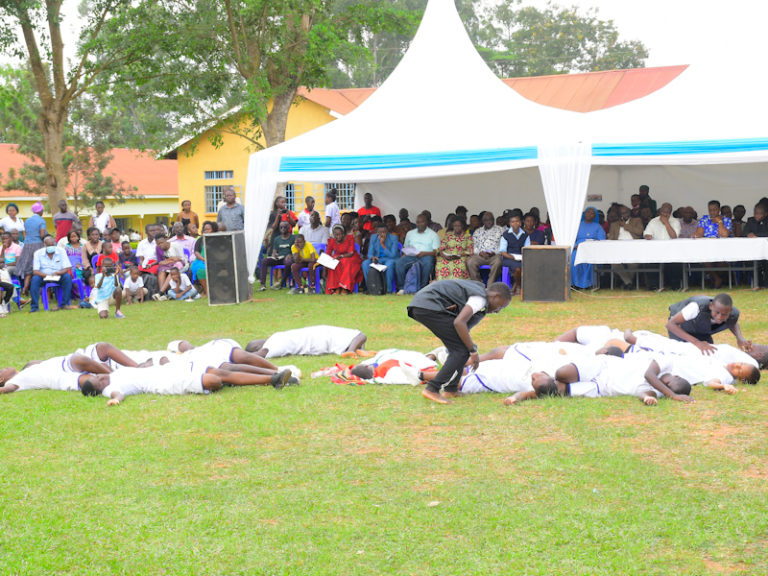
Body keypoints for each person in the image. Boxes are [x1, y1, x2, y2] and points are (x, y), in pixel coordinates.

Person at [407, 280, 512, 404]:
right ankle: (432, 389)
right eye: (500, 306)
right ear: (496, 296)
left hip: (425, 305)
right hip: (428, 306)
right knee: (461, 351)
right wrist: (472, 351)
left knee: (461, 349)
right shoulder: (479, 299)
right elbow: (459, 323)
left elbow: (463, 331)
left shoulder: (478, 296)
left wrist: (471, 349)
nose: (497, 311)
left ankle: (451, 389)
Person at [667, 293, 751, 354]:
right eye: (717, 312)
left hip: (701, 329)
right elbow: (671, 324)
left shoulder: (732, 314)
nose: (720, 317)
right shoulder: (696, 307)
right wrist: (697, 342)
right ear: (711, 306)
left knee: (709, 354)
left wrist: (740, 338)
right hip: (680, 327)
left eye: (724, 314)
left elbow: (733, 322)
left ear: (730, 311)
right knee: (683, 354)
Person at [246, 325, 369, 358]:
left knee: (358, 336)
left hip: (313, 335)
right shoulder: (271, 346)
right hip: (315, 338)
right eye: (255, 342)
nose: (261, 339)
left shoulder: (275, 339)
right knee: (360, 335)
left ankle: (353, 349)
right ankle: (352, 350)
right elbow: (261, 354)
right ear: (257, 347)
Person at [395, 213, 440, 293]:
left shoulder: (433, 235)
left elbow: (436, 251)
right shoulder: (410, 233)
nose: (419, 224)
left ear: (426, 222)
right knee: (399, 263)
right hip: (412, 255)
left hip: (426, 256)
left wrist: (424, 253)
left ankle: (422, 288)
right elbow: (406, 247)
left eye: (422, 222)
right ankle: (402, 288)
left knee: (428, 263)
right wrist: (404, 254)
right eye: (418, 222)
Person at [29, 235, 76, 312]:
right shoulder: (38, 253)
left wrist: (59, 272)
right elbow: (35, 271)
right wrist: (47, 275)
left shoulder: (61, 251)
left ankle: (64, 304)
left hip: (58, 275)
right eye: (48, 245)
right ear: (44, 245)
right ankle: (34, 307)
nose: (51, 247)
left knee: (67, 277)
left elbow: (66, 268)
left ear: (55, 243)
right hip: (43, 276)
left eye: (53, 245)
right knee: (34, 280)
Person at [607, 204, 643, 290]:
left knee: (633, 264)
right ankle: (629, 282)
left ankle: (627, 283)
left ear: (629, 212)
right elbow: (611, 238)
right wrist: (609, 236)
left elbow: (640, 232)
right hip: (618, 250)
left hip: (633, 249)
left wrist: (625, 226)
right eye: (622, 213)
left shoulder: (637, 220)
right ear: (619, 215)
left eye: (626, 212)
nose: (624, 215)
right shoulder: (614, 224)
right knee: (615, 264)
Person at [571, 206, 606, 289]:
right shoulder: (577, 225)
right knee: (573, 260)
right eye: (588, 212)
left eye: (592, 213)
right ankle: (574, 284)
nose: (590, 214)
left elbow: (602, 240)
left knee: (590, 262)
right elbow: (571, 238)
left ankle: (589, 284)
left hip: (592, 249)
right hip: (578, 248)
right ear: (584, 214)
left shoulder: (598, 227)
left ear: (595, 216)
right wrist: (574, 245)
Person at [17, 201, 47, 296]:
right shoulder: (41, 221)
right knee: (39, 267)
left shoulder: (27, 220)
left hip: (27, 245)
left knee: (28, 269)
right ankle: (41, 292)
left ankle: (25, 288)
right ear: (40, 210)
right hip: (37, 244)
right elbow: (42, 234)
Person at [467, 211, 503, 284]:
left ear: (494, 220)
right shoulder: (477, 231)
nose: (489, 222)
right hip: (480, 255)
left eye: (491, 219)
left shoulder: (501, 230)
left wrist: (494, 252)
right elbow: (473, 245)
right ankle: (479, 285)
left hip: (494, 255)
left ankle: (490, 285)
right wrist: (480, 253)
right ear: (483, 221)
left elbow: (503, 245)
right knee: (470, 262)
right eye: (486, 220)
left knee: (498, 262)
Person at [362, 223, 400, 292]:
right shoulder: (374, 237)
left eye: (384, 232)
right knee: (365, 263)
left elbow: (393, 255)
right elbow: (370, 253)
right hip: (378, 259)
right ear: (377, 232)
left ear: (387, 231)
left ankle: (388, 289)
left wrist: (382, 244)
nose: (382, 234)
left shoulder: (393, 238)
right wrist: (372, 257)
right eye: (380, 232)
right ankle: (370, 287)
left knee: (389, 265)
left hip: (390, 259)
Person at [325, 224, 362, 295]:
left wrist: (340, 256)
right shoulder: (332, 241)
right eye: (336, 235)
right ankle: (336, 288)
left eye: (340, 234)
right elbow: (328, 254)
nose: (338, 236)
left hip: (351, 257)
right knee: (334, 263)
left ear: (343, 234)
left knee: (346, 263)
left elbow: (351, 253)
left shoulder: (349, 238)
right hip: (339, 257)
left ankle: (345, 288)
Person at [258, 220, 295, 291]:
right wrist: (274, 255)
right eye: (281, 227)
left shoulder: (293, 238)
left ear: (288, 228)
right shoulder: (277, 239)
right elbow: (274, 251)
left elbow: (296, 251)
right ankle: (263, 285)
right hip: (279, 258)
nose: (283, 229)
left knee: (288, 263)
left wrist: (291, 255)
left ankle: (281, 284)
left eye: (284, 227)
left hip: (287, 258)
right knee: (264, 261)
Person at [435, 216, 473, 281]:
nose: (457, 228)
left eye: (459, 226)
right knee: (441, 265)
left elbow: (470, 250)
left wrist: (459, 255)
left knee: (460, 267)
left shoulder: (468, 236)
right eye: (455, 226)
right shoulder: (448, 235)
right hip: (447, 257)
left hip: (461, 257)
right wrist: (444, 255)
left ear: (463, 226)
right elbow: (441, 248)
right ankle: (443, 287)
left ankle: (457, 287)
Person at [499, 213, 527, 295]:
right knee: (518, 268)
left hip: (522, 258)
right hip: (508, 258)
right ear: (510, 223)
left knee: (525, 265)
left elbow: (527, 249)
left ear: (520, 222)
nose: (515, 223)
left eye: (517, 221)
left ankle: (515, 286)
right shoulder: (505, 235)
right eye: (512, 222)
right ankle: (518, 286)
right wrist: (513, 257)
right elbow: (503, 252)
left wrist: (521, 257)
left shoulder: (525, 235)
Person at [743, 203, 768, 288]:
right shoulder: (750, 221)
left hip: (766, 251)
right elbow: (745, 232)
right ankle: (759, 284)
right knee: (750, 263)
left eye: (759, 213)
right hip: (752, 251)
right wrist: (748, 234)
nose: (756, 215)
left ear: (765, 214)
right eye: (755, 213)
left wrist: (756, 235)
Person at [190, 221, 217, 296]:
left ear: (213, 230)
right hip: (201, 261)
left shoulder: (217, 239)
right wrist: (203, 259)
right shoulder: (200, 240)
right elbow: (196, 252)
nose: (206, 231)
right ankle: (206, 291)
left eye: (208, 229)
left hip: (215, 261)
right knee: (200, 270)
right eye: (205, 229)